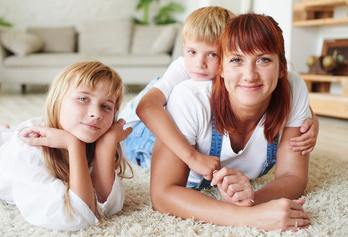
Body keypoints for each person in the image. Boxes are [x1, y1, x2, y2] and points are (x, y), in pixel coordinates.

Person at [150, 13, 311, 231]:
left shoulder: (293, 90)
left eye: (264, 59)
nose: (249, 75)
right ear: (221, 68)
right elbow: (162, 195)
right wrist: (248, 217)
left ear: (282, 67)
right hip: (147, 133)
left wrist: (253, 198)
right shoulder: (188, 97)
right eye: (236, 60)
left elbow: (294, 176)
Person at [119, 6, 319, 181]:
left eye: (213, 54)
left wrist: (312, 121)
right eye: (191, 52)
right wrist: (192, 157)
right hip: (138, 129)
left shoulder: (241, 74)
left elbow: (292, 99)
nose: (200, 63)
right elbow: (146, 107)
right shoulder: (182, 70)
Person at [0, 61, 133, 231]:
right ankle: (1, 133)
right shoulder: (30, 146)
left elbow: (107, 206)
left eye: (106, 106)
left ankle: (4, 131)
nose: (96, 114)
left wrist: (105, 148)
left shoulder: (95, 137)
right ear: (58, 100)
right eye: (83, 98)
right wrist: (73, 144)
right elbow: (76, 217)